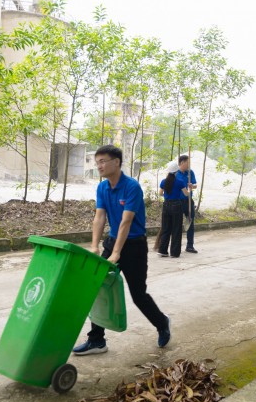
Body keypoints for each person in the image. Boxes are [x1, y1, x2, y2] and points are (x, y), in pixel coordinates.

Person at [73, 145, 170, 355]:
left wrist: (117, 253)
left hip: (134, 246)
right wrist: (94, 246)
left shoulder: (132, 187)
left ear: (116, 162)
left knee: (138, 295)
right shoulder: (102, 188)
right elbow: (99, 218)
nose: (99, 165)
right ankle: (97, 340)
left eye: (103, 161)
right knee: (96, 288)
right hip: (113, 241)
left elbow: (126, 221)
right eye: (97, 161)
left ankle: (162, 323)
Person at [157, 160, 189, 258]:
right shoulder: (179, 182)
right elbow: (186, 194)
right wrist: (190, 188)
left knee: (166, 228)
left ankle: (162, 251)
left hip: (166, 205)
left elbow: (160, 193)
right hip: (176, 206)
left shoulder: (163, 181)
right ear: (176, 172)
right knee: (176, 229)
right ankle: (174, 253)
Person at [177, 155, 198, 254]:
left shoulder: (190, 173)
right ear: (182, 163)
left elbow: (195, 185)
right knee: (176, 224)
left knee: (190, 222)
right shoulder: (175, 173)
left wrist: (192, 186)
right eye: (187, 163)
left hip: (188, 201)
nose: (189, 165)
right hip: (177, 202)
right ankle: (176, 246)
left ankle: (189, 246)